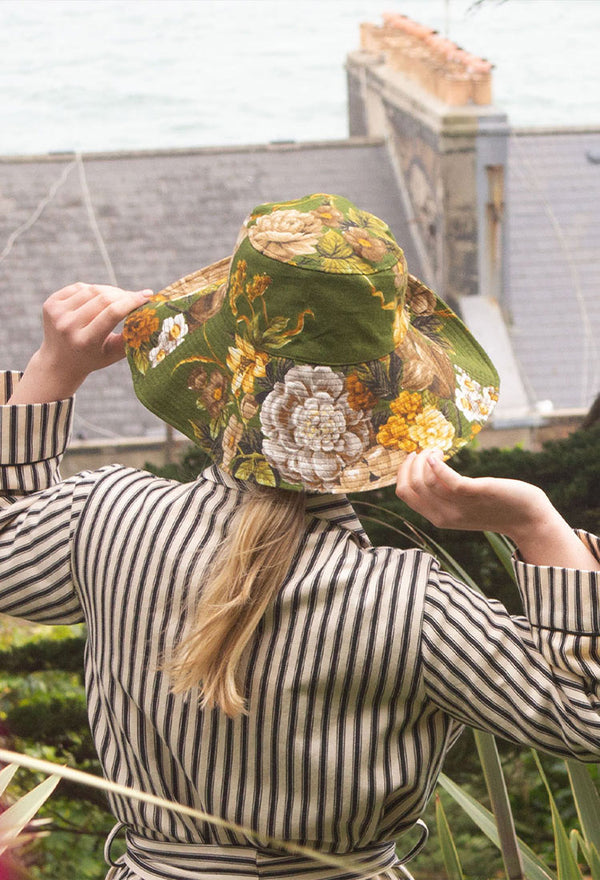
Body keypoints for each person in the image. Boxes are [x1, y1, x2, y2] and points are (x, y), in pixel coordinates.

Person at [1, 193, 599, 880]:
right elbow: (585, 714)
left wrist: (54, 370)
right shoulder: (410, 605)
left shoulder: (106, 522)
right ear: (391, 409)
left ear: (213, 372)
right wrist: (534, 523)